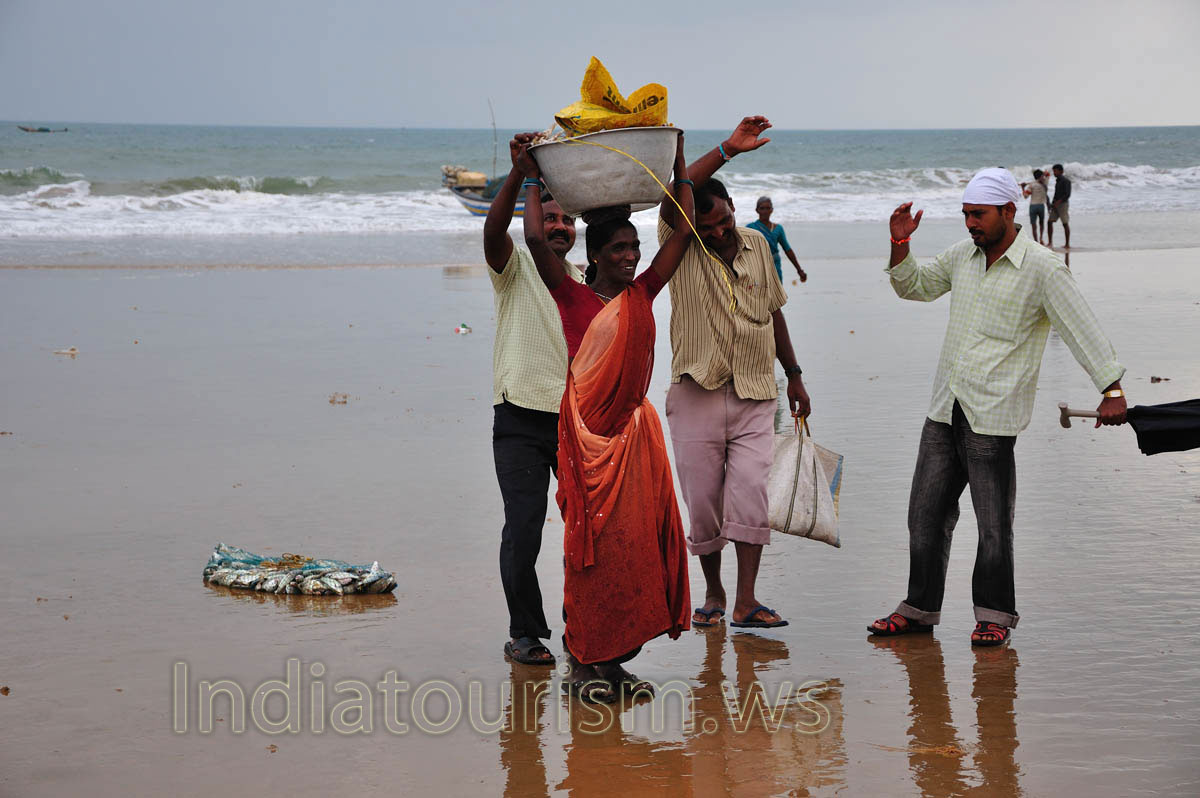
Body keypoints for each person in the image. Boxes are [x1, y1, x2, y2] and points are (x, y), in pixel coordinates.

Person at [868, 167, 1127, 646]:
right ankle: (919, 609)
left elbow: (1081, 327)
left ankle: (994, 616)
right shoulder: (962, 256)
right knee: (925, 516)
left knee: (993, 526)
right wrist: (900, 243)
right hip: (945, 406)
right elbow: (914, 286)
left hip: (993, 414)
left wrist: (1111, 390)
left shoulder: (1043, 268)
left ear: (1009, 211)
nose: (971, 223)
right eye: (966, 214)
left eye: (979, 214)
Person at [514, 131, 694, 703]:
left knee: (632, 550)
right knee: (589, 555)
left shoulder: (643, 293)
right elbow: (535, 239)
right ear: (594, 255)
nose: (630, 256)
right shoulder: (570, 295)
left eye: (634, 246)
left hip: (634, 443)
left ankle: (611, 665)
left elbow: (683, 232)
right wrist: (532, 176)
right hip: (588, 445)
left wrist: (678, 163)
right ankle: (583, 665)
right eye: (618, 248)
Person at [659, 116, 812, 631]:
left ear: (733, 208)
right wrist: (725, 149)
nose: (719, 231)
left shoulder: (757, 244)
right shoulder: (681, 244)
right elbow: (671, 202)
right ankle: (714, 592)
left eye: (724, 219)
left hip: (755, 392)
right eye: (708, 227)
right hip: (696, 393)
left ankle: (746, 601)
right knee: (703, 504)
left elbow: (774, 312)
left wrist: (794, 374)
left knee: (750, 497)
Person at [482, 140, 586, 668]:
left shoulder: (583, 282)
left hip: (574, 423)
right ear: (534, 222)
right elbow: (493, 231)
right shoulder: (516, 266)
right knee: (523, 530)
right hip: (519, 416)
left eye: (567, 219)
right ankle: (523, 633)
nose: (560, 226)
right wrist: (519, 176)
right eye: (550, 218)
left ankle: (584, 630)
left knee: (586, 532)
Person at [746, 196, 807, 283]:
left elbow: (787, 249)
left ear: (772, 210)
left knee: (777, 290)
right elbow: (743, 250)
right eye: (762, 208)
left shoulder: (778, 229)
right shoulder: (750, 228)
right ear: (757, 210)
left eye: (768, 208)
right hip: (757, 267)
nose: (765, 211)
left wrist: (799, 270)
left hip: (775, 266)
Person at [1020, 169, 1049, 244]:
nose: (1043, 177)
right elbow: (1048, 174)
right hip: (1038, 206)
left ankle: (1039, 240)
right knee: (1037, 224)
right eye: (1042, 176)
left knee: (1037, 224)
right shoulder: (1044, 182)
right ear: (1041, 176)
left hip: (1034, 206)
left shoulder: (1032, 185)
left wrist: (1023, 187)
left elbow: (1025, 196)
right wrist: (1044, 174)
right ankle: (1038, 240)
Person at [1047, 163, 1071, 248]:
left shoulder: (1066, 181)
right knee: (1049, 222)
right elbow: (1056, 194)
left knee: (1065, 223)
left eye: (1055, 171)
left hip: (1063, 204)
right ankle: (1050, 242)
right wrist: (1052, 204)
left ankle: (1067, 244)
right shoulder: (1057, 181)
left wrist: (1059, 202)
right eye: (1053, 171)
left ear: (1061, 171)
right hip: (1055, 204)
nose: (1054, 173)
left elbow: (1067, 194)